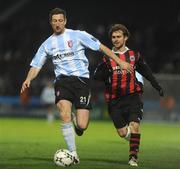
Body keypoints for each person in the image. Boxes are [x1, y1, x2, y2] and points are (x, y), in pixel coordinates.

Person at [20, 8, 133, 165]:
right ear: (51, 23)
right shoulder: (47, 44)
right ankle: (73, 153)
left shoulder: (78, 35)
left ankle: (76, 121)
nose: (58, 23)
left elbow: (101, 47)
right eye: (55, 21)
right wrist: (28, 79)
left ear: (65, 21)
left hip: (81, 81)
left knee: (82, 125)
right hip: (62, 82)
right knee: (63, 112)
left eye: (60, 20)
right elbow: (36, 65)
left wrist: (119, 61)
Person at [94, 24, 164, 167]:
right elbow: (96, 76)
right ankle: (133, 139)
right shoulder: (106, 58)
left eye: (118, 36)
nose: (115, 39)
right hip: (114, 100)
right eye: (113, 37)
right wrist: (105, 72)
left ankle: (133, 157)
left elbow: (146, 71)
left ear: (125, 38)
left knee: (135, 126)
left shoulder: (134, 55)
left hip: (133, 96)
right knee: (122, 133)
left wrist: (157, 86)